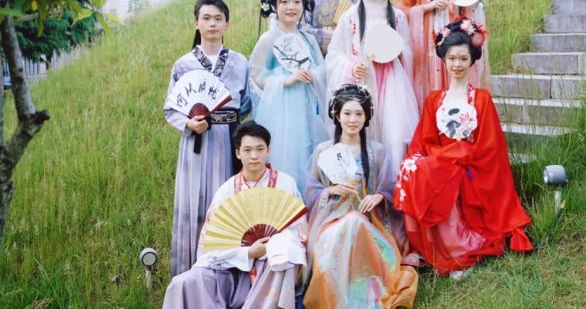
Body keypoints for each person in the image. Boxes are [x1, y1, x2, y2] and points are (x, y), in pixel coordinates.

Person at [394, 19, 532, 280]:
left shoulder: (481, 98)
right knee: (412, 169)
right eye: (452, 58)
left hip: (471, 167)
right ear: (443, 60)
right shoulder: (434, 100)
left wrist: (460, 155)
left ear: (472, 61)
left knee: (447, 175)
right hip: (442, 161)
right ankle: (439, 247)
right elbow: (425, 141)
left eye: (463, 58)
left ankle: (463, 248)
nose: (457, 64)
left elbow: (490, 147)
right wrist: (441, 156)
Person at [163, 121, 308, 308]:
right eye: (247, 150)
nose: (254, 156)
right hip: (231, 268)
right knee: (183, 282)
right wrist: (247, 252)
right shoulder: (227, 190)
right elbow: (209, 246)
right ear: (238, 153)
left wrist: (270, 247)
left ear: (268, 151)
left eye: (260, 149)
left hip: (270, 265)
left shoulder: (285, 184)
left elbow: (298, 232)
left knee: (286, 252)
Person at [303, 84, 418, 308]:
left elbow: (391, 187)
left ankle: (362, 294)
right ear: (337, 116)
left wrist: (379, 197)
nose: (352, 120)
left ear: (366, 117)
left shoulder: (377, 150)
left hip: (368, 218)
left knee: (355, 221)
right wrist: (330, 191)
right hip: (331, 219)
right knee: (347, 225)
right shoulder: (323, 150)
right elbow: (309, 190)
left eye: (359, 114)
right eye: (347, 113)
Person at [164, 0, 252, 278]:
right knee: (194, 201)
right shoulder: (183, 65)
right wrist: (189, 122)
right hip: (196, 143)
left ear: (227, 24)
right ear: (196, 23)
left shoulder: (240, 62)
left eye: (218, 18)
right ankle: (190, 276)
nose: (212, 24)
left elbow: (246, 104)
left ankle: (227, 278)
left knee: (227, 201)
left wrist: (229, 124)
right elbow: (170, 108)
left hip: (228, 141)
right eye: (206, 18)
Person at [326, 0, 419, 173]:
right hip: (362, 82)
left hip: (392, 85)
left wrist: (396, 52)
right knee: (363, 132)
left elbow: (408, 50)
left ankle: (390, 188)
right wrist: (351, 66)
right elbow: (334, 54)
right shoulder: (349, 17)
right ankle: (362, 186)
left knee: (393, 134)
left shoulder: (397, 16)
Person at [250, 0, 329, 193]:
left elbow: (323, 68)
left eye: (297, 1)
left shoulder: (308, 38)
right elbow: (256, 74)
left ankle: (309, 202)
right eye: (284, 2)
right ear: (275, 5)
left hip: (308, 105)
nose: (291, 7)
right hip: (282, 111)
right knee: (287, 153)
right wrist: (283, 80)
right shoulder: (269, 38)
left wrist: (312, 73)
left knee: (311, 152)